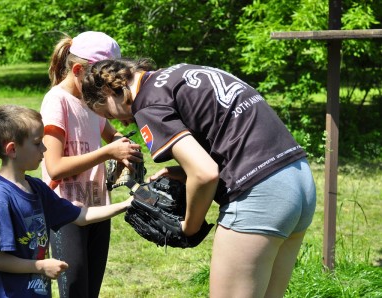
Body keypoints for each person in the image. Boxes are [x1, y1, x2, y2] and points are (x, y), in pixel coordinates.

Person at [82, 59, 317, 298]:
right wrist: (184, 172)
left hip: (260, 192)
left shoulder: (146, 103)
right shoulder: (177, 72)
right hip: (298, 179)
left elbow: (204, 174)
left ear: (110, 91)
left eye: (110, 114)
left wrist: (188, 227)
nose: (123, 122)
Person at [0, 104, 132, 298]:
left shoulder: (36, 188)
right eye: (37, 143)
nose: (44, 148)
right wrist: (40, 266)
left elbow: (80, 216)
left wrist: (126, 204)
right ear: (12, 149)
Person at [40, 31, 143, 298]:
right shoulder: (57, 101)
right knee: (74, 291)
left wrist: (125, 148)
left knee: (90, 291)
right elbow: (55, 167)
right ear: (77, 70)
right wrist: (109, 152)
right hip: (66, 213)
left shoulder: (91, 101)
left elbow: (111, 134)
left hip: (98, 207)